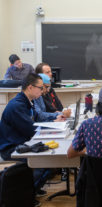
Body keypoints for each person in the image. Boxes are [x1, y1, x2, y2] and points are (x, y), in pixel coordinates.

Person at [0, 73, 53, 206]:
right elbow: (31, 131)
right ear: (30, 87)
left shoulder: (27, 102)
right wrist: (52, 131)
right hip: (12, 148)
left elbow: (38, 119)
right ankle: (24, 195)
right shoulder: (17, 106)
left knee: (50, 162)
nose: (43, 90)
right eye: (40, 88)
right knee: (43, 163)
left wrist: (55, 119)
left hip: (23, 143)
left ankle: (31, 190)